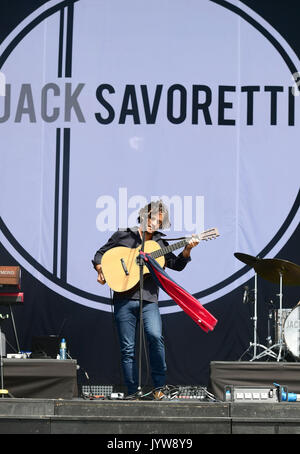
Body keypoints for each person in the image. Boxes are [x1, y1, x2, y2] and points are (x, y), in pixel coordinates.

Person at [93, 200, 199, 398]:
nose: (154, 223)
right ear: (143, 216)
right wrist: (101, 270)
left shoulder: (160, 243)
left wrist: (187, 250)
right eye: (151, 218)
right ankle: (132, 392)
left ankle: (159, 388)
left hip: (149, 299)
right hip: (123, 297)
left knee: (155, 338)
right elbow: (100, 254)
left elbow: (176, 264)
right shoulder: (123, 234)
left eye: (159, 222)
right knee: (128, 349)